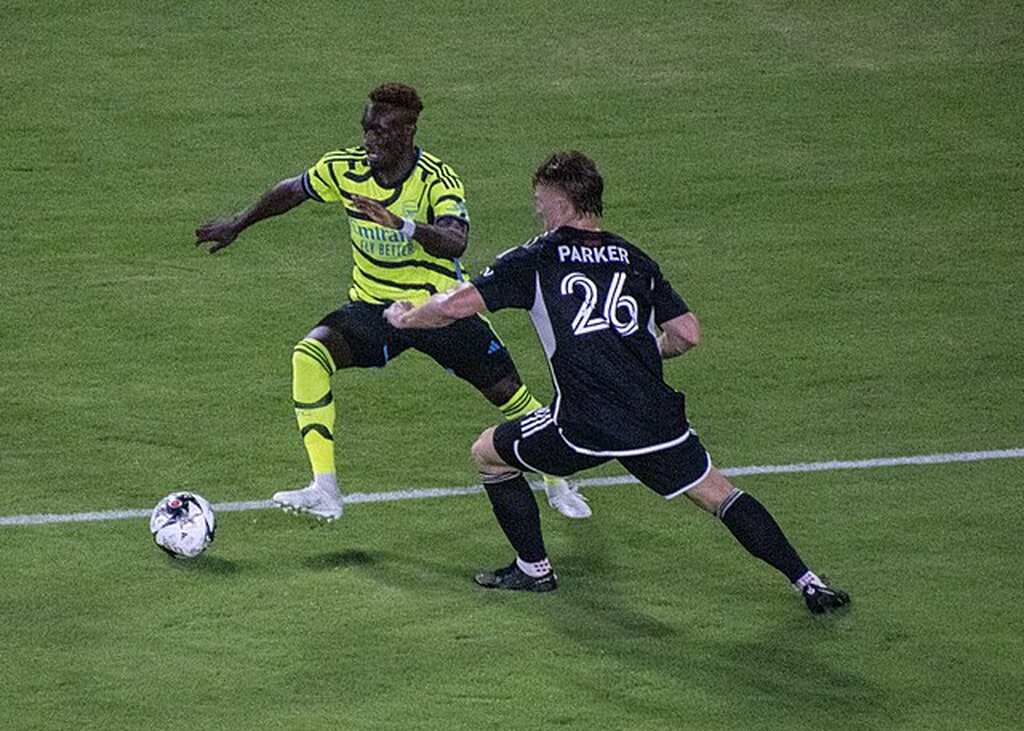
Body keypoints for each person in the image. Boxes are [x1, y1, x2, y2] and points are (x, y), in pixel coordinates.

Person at [384, 151, 850, 614]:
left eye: (540, 199)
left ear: (563, 202)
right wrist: (648, 349)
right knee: (719, 493)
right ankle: (808, 582)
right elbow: (687, 333)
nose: (537, 209)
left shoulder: (536, 258)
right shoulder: (634, 258)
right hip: (654, 417)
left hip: (583, 425)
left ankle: (533, 569)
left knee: (489, 453)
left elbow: (451, 307)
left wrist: (407, 319)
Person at [194, 83, 590, 521]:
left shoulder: (436, 179)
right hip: (374, 308)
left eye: (382, 131)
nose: (371, 140)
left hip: (438, 310)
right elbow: (294, 189)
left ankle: (557, 479)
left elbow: (455, 242)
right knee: (309, 356)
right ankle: (324, 488)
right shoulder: (345, 168)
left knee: (512, 397)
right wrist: (238, 223)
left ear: (408, 132)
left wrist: (401, 225)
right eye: (367, 129)